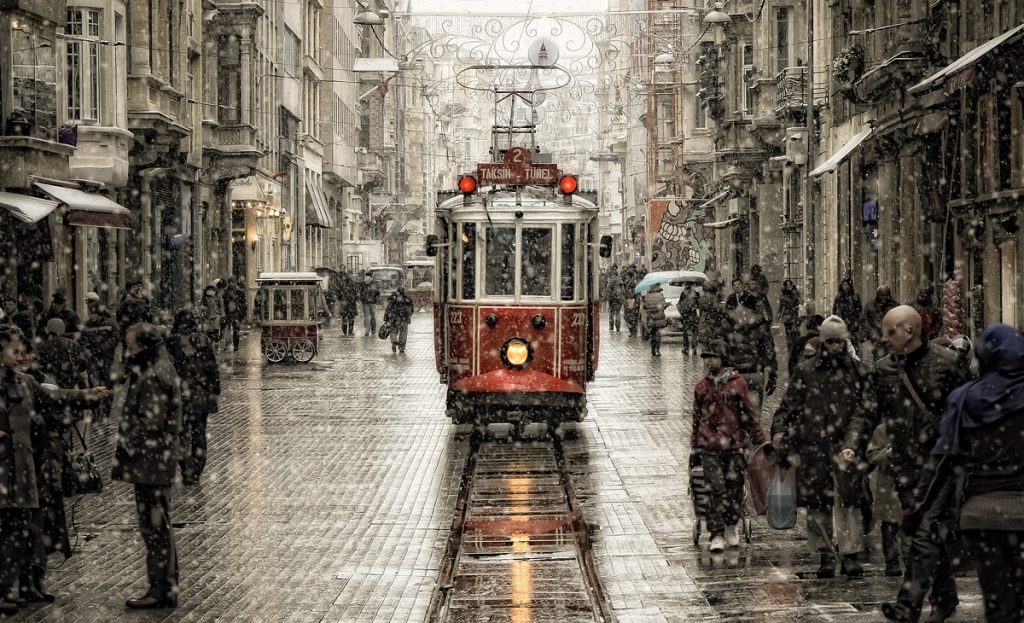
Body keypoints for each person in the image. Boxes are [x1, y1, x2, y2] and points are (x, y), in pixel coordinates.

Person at [837, 306, 969, 623]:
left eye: (889, 332)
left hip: (941, 466)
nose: (883, 338)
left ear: (909, 331)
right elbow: (867, 412)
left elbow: (967, 411)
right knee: (925, 532)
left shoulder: (947, 365)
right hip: (906, 466)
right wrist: (852, 444)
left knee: (922, 534)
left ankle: (907, 606)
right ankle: (946, 597)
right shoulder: (883, 370)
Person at [0, 327, 109, 613]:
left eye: (24, 351)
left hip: (25, 469)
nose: (23, 357)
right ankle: (6, 587)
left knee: (24, 528)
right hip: (4, 470)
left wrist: (86, 394)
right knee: (12, 530)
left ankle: (24, 583)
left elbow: (55, 398)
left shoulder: (24, 383)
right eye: (15, 352)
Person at [928, 324, 1024, 623]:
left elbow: (946, 459)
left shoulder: (964, 399)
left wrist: (926, 507)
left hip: (980, 515)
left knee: (997, 597)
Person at [771, 316, 876, 579]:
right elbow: (789, 405)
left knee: (849, 502)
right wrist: (780, 431)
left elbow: (866, 411)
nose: (836, 346)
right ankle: (826, 554)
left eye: (840, 341)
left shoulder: (858, 371)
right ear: (823, 342)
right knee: (819, 503)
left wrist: (854, 442)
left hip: (845, 446)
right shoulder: (805, 371)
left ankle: (850, 553)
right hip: (814, 446)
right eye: (831, 341)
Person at [112, 323, 182, 609]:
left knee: (155, 527)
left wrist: (129, 442)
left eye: (131, 347)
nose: (129, 352)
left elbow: (149, 422)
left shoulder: (153, 374)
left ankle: (161, 588)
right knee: (158, 525)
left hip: (151, 462)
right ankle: (164, 584)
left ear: (145, 346)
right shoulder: (161, 366)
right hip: (157, 460)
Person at [691, 339, 767, 553]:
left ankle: (731, 526)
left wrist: (759, 440)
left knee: (734, 489)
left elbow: (748, 415)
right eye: (707, 357)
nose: (709, 362)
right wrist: (695, 446)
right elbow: (696, 419)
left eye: (713, 357)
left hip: (734, 448)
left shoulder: (738, 384)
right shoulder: (702, 387)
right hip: (709, 448)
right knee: (715, 488)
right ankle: (715, 533)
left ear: (723, 358)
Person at [166, 311, 220, 486]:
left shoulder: (172, 343)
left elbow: (167, 370)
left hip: (181, 395)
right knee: (198, 434)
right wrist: (213, 388)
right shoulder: (202, 341)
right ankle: (195, 469)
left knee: (181, 434)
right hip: (199, 394)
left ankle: (187, 468)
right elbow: (212, 368)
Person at [724, 296, 778, 413]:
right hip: (755, 373)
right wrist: (772, 376)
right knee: (754, 417)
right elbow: (769, 352)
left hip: (734, 374)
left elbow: (721, 350)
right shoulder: (761, 325)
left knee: (734, 417)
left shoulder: (728, 323)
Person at [867, 423, 904, 577]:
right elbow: (872, 456)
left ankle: (908, 559)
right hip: (890, 485)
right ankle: (892, 561)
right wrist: (888, 452)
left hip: (908, 482)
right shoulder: (882, 429)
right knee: (890, 524)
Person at [79, 292, 120, 388]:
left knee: (107, 381)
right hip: (92, 359)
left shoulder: (110, 323)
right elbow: (82, 339)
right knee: (93, 382)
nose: (91, 316)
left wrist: (103, 348)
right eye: (90, 313)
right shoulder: (86, 325)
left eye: (93, 314)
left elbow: (115, 338)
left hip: (107, 358)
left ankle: (107, 400)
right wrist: (86, 350)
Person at [864, 285, 898, 362]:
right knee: (879, 361)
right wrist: (873, 333)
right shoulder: (870, 306)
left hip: (891, 339)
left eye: (886, 295)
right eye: (882, 295)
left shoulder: (895, 306)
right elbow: (865, 321)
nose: (884, 298)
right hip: (877, 340)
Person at [116, 280, 152, 345]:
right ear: (129, 289)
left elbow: (143, 311)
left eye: (136, 286)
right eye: (134, 287)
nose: (136, 288)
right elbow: (119, 312)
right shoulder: (126, 299)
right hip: (128, 326)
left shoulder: (138, 297)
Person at [696, 280, 728, 352]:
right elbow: (718, 308)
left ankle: (707, 359)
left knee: (705, 345)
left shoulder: (701, 298)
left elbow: (700, 311)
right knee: (714, 344)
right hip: (713, 322)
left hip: (704, 322)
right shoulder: (715, 297)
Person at [832, 278, 862, 347]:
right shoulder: (838, 298)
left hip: (852, 324)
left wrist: (856, 321)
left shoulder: (855, 297)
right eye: (844, 285)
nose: (846, 287)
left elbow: (859, 310)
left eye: (847, 285)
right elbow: (835, 310)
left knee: (852, 342)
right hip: (841, 323)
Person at [383, 286, 414, 353]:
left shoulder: (392, 298)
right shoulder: (407, 299)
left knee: (393, 331)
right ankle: (401, 347)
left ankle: (394, 340)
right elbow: (411, 309)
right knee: (403, 332)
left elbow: (388, 308)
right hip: (404, 318)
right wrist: (408, 316)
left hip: (394, 318)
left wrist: (386, 318)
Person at [642, 282, 669, 357]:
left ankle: (653, 349)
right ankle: (657, 349)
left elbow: (644, 306)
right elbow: (662, 306)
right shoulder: (660, 295)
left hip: (650, 318)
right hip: (659, 318)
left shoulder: (647, 296)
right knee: (658, 334)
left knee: (653, 333)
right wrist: (667, 305)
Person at [221, 277, 247, 352]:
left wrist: (241, 314)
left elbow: (243, 304)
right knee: (228, 329)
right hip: (228, 313)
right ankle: (228, 344)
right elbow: (223, 303)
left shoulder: (239, 292)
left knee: (236, 330)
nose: (231, 284)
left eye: (233, 282)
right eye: (230, 282)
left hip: (236, 313)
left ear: (235, 282)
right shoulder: (225, 292)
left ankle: (235, 345)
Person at [778, 279, 801, 353]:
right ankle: (790, 350)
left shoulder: (796, 293)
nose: (789, 286)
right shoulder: (783, 296)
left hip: (795, 316)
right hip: (787, 317)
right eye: (787, 285)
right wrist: (779, 315)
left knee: (796, 333)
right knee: (789, 335)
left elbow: (800, 302)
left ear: (792, 285)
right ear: (785, 286)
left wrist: (798, 306)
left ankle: (796, 349)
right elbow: (781, 306)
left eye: (790, 285)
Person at [677, 283, 699, 354]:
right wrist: (694, 307)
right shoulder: (696, 294)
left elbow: (679, 304)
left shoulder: (683, 294)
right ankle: (694, 346)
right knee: (694, 332)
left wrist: (682, 312)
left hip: (686, 315)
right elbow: (699, 304)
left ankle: (686, 348)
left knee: (685, 332)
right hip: (693, 315)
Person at [338, 271, 359, 337]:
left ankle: (345, 331)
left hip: (346, 303)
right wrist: (354, 299)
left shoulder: (342, 285)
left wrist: (341, 299)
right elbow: (356, 294)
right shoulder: (352, 284)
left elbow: (339, 294)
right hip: (350, 303)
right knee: (351, 318)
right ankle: (350, 331)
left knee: (345, 318)